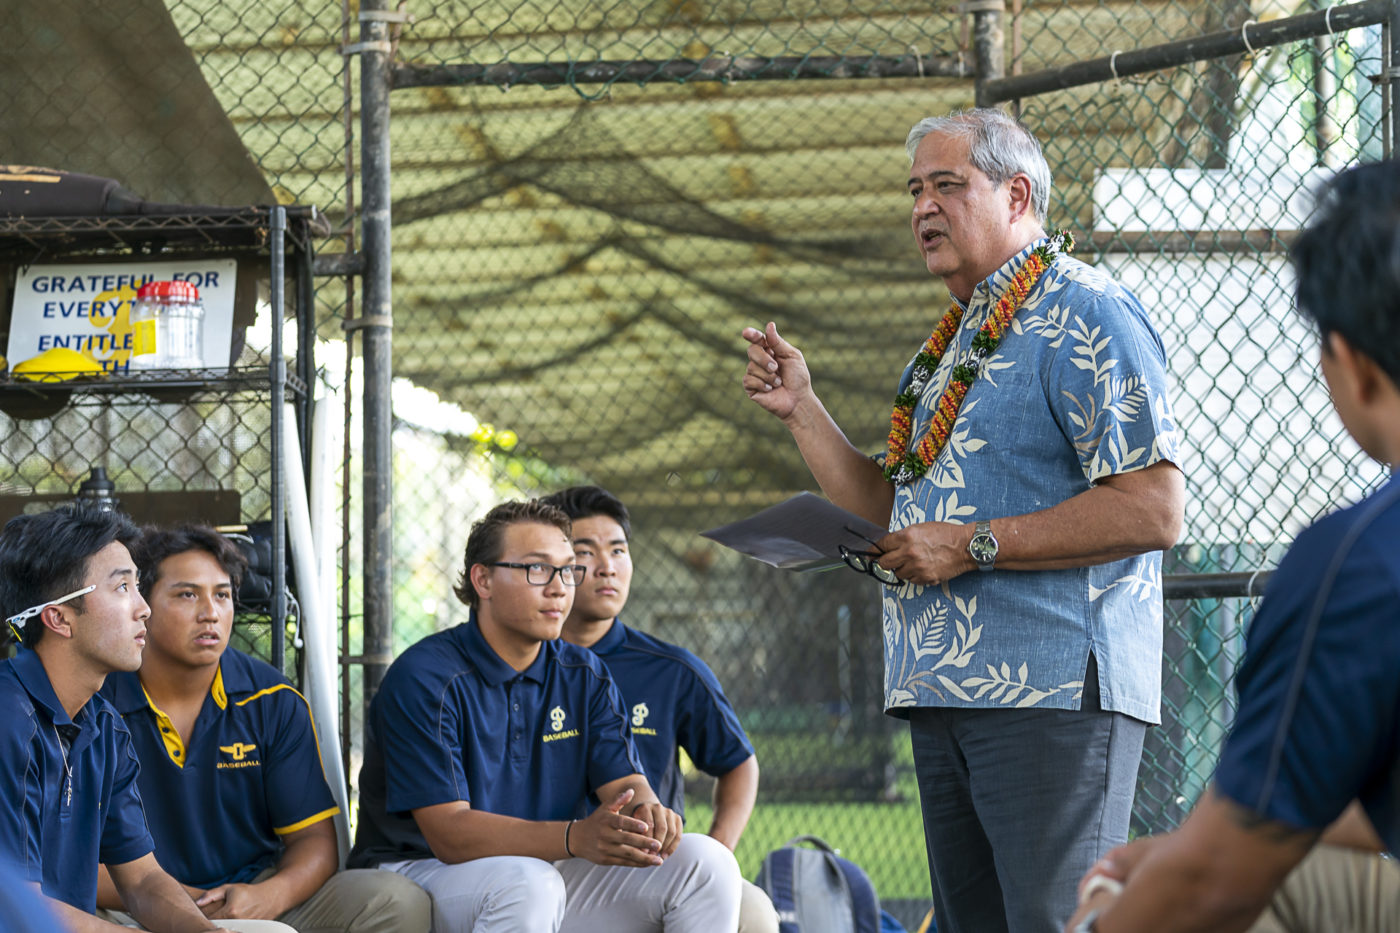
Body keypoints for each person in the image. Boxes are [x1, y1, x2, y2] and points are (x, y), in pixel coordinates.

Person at [741, 107, 1185, 932]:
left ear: (1018, 194)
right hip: (942, 690)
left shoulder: (1089, 310)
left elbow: (1153, 506)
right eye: (914, 190)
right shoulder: (946, 347)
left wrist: (974, 544)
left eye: (948, 185)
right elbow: (892, 506)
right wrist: (803, 410)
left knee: (1054, 921)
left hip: (1051, 688)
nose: (922, 207)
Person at [1064, 161, 1400, 932]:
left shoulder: (1357, 564)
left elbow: (1212, 883)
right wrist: (1188, 844)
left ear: (1348, 360)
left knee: (1195, 899)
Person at [347, 498, 743, 932]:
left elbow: (626, 784)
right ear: (483, 580)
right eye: (537, 569)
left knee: (707, 864)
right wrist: (575, 837)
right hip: (423, 869)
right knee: (530, 883)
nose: (560, 587)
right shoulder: (426, 676)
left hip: (545, 868)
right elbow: (450, 833)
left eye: (568, 569)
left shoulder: (584, 672)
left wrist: (649, 810)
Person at [94, 524, 430, 931]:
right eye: (187, 594)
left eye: (221, 595)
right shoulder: (95, 700)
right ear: (142, 605)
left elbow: (316, 844)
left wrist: (269, 896)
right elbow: (63, 859)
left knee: (397, 902)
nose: (210, 613)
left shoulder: (273, 701)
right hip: (131, 903)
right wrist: (173, 903)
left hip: (249, 893)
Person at [542, 485, 779, 933]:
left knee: (755, 912)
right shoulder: (520, 665)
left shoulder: (671, 669)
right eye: (585, 552)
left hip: (652, 867)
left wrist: (718, 853)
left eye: (618, 550)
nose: (607, 567)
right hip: (546, 863)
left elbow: (739, 763)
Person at [0, 506, 227, 932]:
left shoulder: (103, 725)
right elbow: (18, 913)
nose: (144, 609)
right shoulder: (7, 721)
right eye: (123, 587)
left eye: (138, 587)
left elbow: (141, 879)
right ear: (58, 618)